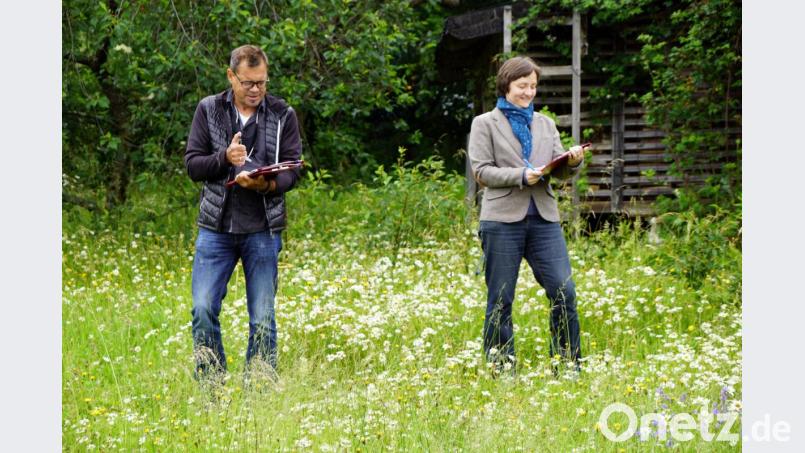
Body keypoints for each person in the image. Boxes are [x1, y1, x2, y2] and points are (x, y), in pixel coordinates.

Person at [184, 45, 302, 381]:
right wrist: (225, 157)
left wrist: (266, 185)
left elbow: (293, 170)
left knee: (263, 316)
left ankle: (260, 391)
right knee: (203, 308)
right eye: (248, 83)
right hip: (215, 229)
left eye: (261, 83)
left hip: (263, 229)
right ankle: (212, 385)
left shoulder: (283, 114)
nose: (255, 90)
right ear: (231, 76)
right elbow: (193, 166)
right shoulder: (208, 109)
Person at [468, 56, 585, 374]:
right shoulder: (484, 123)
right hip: (502, 220)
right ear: (506, 85)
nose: (529, 92)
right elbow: (482, 172)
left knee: (564, 291)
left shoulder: (545, 123)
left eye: (533, 86)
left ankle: (567, 365)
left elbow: (560, 174)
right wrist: (522, 175)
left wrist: (572, 162)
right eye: (522, 86)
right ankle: (501, 367)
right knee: (501, 299)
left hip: (544, 219)